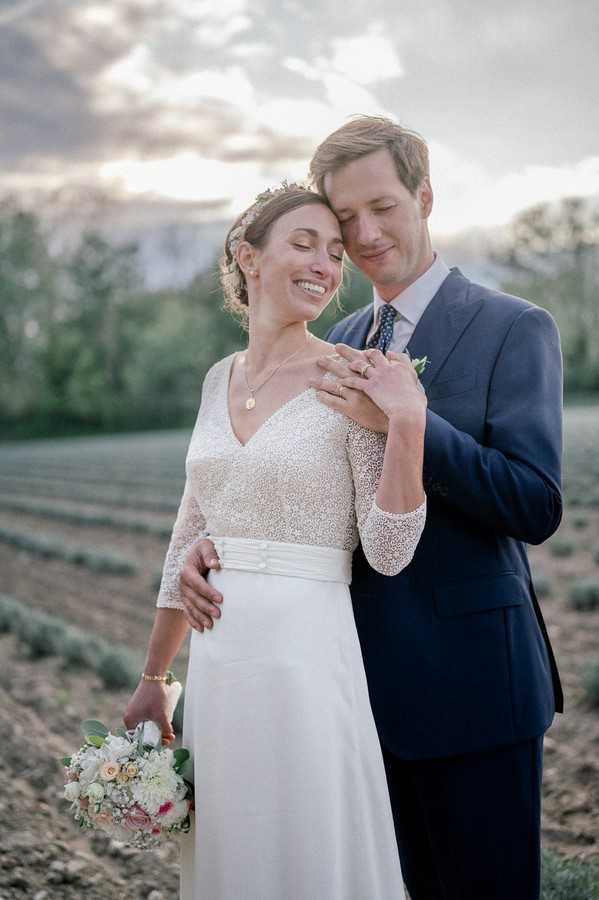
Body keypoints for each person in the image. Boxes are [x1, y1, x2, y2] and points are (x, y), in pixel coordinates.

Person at [180, 118, 564, 900]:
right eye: (344, 219)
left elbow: (534, 502)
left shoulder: (512, 327)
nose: (363, 234)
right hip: (345, 686)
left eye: (382, 207)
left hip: (472, 686)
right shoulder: (338, 339)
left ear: (424, 196)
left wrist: (405, 423)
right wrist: (213, 544)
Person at [123, 183, 428, 899]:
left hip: (308, 655)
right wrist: (153, 678)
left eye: (333, 253)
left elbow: (386, 549)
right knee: (236, 845)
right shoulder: (214, 381)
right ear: (247, 258)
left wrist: (407, 424)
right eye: (303, 243)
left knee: (308, 841)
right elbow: (188, 532)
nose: (324, 263)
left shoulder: (349, 373)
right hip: (222, 657)